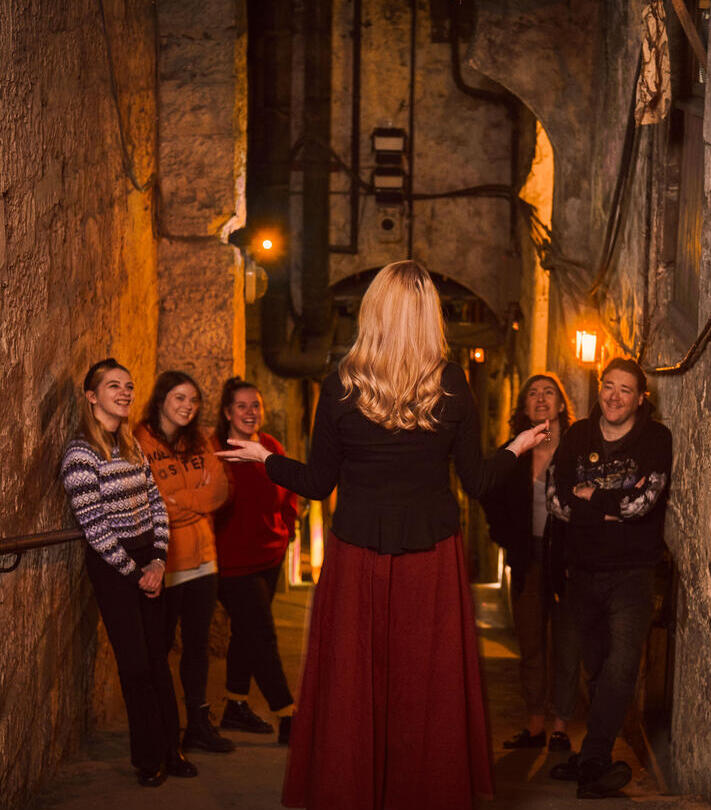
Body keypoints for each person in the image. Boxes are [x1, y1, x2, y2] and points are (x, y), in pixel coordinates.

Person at [218, 260, 550, 810]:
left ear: (372, 311)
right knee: (427, 680)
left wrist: (265, 458)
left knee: (354, 680)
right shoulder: (451, 383)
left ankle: (351, 788)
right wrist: (517, 446)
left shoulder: (340, 387)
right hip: (432, 555)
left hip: (356, 554)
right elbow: (477, 481)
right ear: (428, 316)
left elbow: (318, 484)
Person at [59, 358, 197, 787]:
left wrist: (157, 560)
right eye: (113, 386)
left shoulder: (131, 445)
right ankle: (148, 759)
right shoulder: (80, 455)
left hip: (148, 560)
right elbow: (95, 527)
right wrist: (136, 573)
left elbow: (156, 503)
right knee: (135, 665)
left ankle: (172, 750)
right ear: (91, 396)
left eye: (129, 386)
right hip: (113, 568)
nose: (125, 392)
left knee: (158, 659)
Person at [547, 356, 672, 799]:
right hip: (583, 570)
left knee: (621, 666)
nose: (614, 397)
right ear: (599, 388)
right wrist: (609, 507)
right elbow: (556, 500)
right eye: (608, 386)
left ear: (640, 399)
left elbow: (642, 505)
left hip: (632, 573)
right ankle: (590, 759)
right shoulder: (578, 435)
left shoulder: (655, 438)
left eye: (625, 390)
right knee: (596, 667)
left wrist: (590, 497)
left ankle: (595, 758)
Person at [134, 370, 234, 754]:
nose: (187, 406)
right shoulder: (140, 441)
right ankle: (161, 727)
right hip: (165, 562)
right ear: (161, 399)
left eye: (193, 400)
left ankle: (197, 724)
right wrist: (190, 501)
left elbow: (219, 490)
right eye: (179, 398)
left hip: (203, 560)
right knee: (158, 647)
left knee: (197, 646)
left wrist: (180, 501)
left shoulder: (200, 442)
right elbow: (151, 501)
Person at [482, 372, 579, 753]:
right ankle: (535, 725)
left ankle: (560, 727)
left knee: (567, 644)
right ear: (524, 406)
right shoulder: (514, 452)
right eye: (533, 394)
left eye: (548, 392)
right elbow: (489, 494)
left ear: (560, 404)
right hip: (528, 560)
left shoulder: (576, 448)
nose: (541, 398)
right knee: (531, 643)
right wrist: (506, 538)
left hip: (568, 562)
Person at [209, 377, 299, 745]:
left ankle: (236, 704)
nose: (250, 412)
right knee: (262, 634)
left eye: (255, 405)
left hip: (270, 556)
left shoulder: (270, 447)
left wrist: (288, 529)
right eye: (242, 406)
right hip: (232, 563)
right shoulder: (215, 451)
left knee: (247, 632)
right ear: (228, 412)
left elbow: (289, 492)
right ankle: (288, 714)